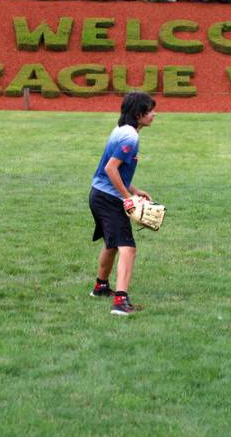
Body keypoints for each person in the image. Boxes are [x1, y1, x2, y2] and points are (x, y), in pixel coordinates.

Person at [88, 91, 157, 316]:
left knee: (111, 244)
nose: (154, 115)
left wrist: (135, 190)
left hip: (99, 194)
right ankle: (120, 302)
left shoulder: (121, 130)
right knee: (128, 247)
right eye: (150, 111)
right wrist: (128, 197)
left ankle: (101, 287)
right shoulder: (130, 137)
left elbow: (114, 169)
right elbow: (110, 168)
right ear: (138, 114)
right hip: (108, 199)